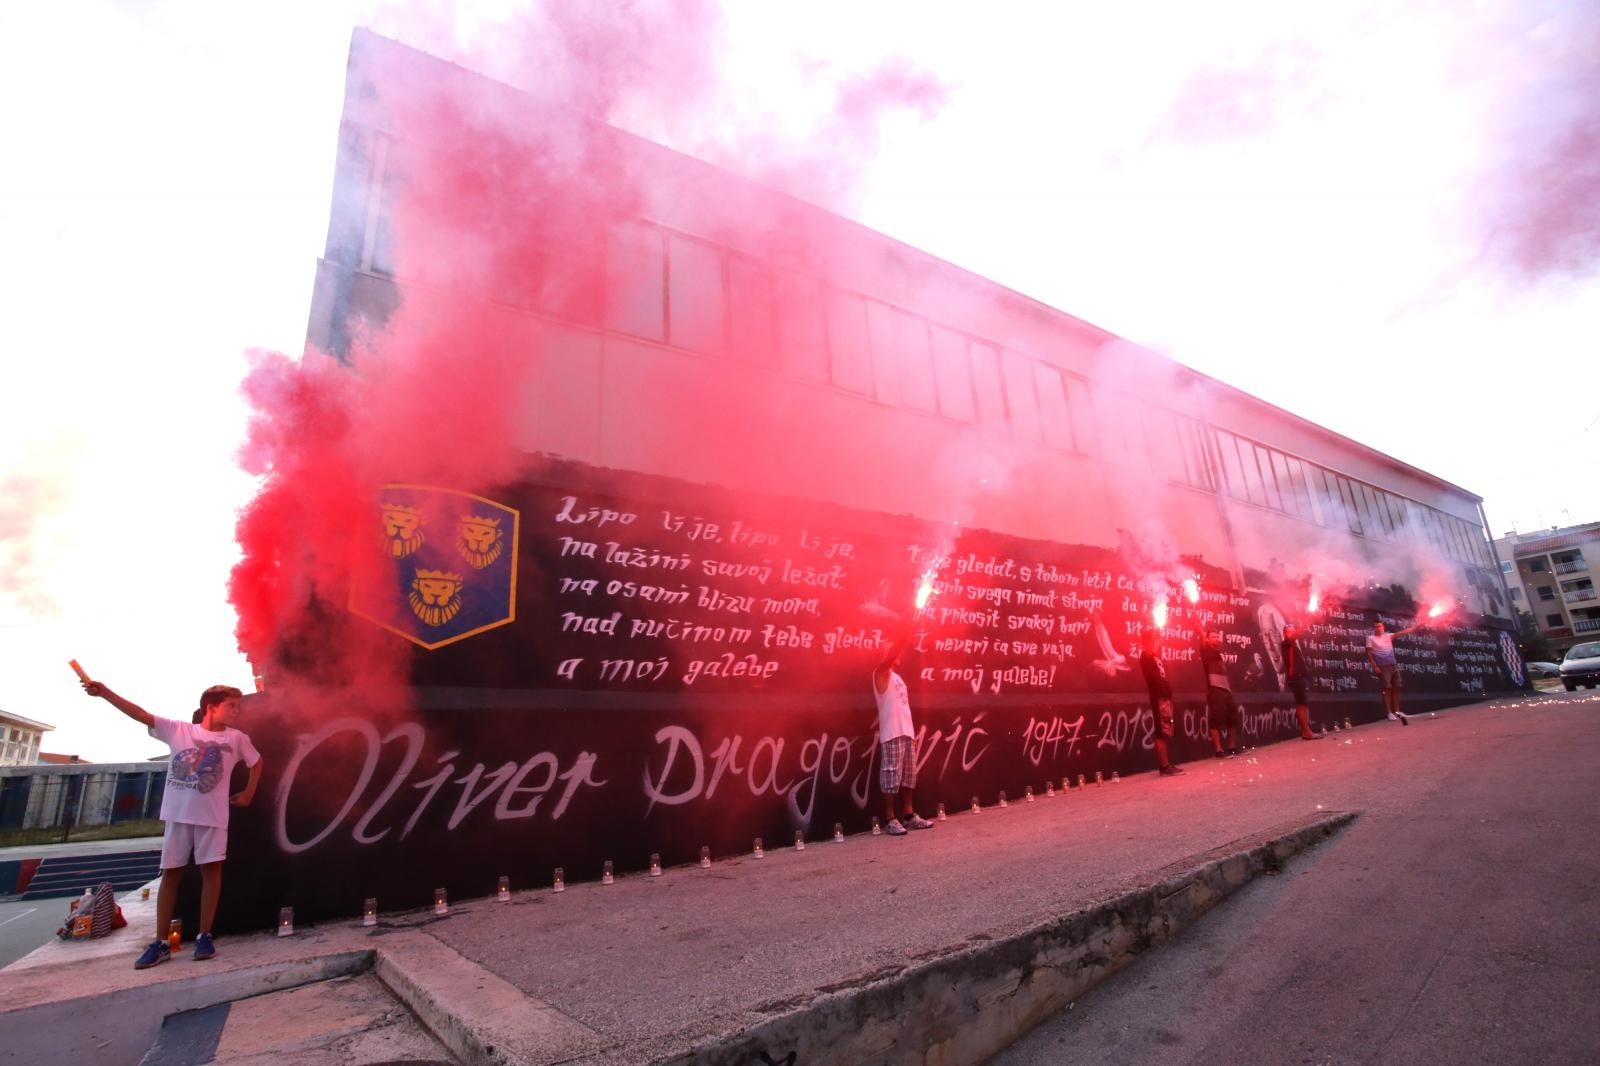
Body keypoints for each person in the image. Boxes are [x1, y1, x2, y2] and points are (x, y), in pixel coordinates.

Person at [81, 679, 262, 968]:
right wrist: (105, 694)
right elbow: (140, 714)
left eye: (238, 706)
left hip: (213, 817)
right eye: (231, 706)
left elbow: (257, 762)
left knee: (211, 873)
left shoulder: (236, 738)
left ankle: (205, 936)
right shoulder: (180, 730)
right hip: (178, 815)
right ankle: (160, 942)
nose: (236, 711)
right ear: (211, 707)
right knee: (171, 874)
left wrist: (249, 793)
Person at [872, 631, 933, 835]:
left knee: (908, 777)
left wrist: (911, 733)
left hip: (906, 733)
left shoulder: (898, 677)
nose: (897, 654)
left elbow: (903, 707)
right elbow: (890, 656)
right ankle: (890, 819)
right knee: (890, 776)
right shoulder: (880, 673)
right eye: (892, 651)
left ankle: (909, 816)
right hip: (891, 734)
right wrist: (903, 637)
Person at [1138, 628, 1186, 775]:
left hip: (1164, 697)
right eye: (1154, 639)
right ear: (1148, 641)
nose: (1157, 641)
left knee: (1166, 731)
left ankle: (1166, 765)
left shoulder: (1155, 656)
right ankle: (1165, 766)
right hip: (1158, 697)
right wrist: (1152, 636)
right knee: (1161, 731)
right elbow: (1149, 648)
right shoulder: (1145, 655)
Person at [1366, 619, 1422, 724]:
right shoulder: (1370, 638)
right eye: (1376, 627)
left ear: (1383, 627)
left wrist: (1417, 626)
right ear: (1373, 628)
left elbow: (1402, 632)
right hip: (1382, 667)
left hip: (1393, 665)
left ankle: (1397, 712)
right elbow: (1369, 653)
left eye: (1380, 626)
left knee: (1397, 687)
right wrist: (1375, 666)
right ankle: (1389, 713)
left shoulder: (1388, 636)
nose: (1378, 628)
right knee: (1386, 689)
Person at [1198, 631, 1243, 756]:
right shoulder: (1206, 651)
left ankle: (1232, 747)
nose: (1216, 638)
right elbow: (1201, 634)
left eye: (1218, 636)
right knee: (1216, 719)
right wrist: (1196, 622)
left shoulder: (1217, 653)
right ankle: (1218, 750)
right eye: (1213, 637)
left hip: (1226, 690)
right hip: (1215, 689)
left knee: (1233, 718)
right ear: (1207, 639)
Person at [1280, 623, 1321, 740]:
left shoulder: (1294, 645)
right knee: (1301, 704)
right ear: (1284, 634)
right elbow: (1293, 637)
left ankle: (1305, 731)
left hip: (1299, 677)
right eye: (1289, 631)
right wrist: (1309, 619)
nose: (1292, 633)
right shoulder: (1286, 643)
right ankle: (1307, 732)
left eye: (1293, 631)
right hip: (1295, 678)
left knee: (1302, 704)